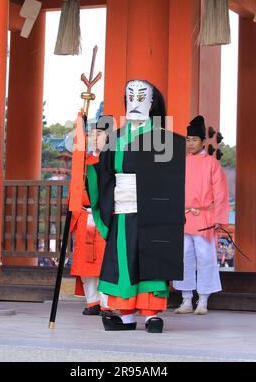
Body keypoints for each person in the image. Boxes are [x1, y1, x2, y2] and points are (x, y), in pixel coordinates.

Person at [86, 80, 185, 333]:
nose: (136, 100)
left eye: (142, 95)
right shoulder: (115, 138)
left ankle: (151, 314)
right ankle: (127, 315)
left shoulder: (164, 138)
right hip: (122, 205)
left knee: (151, 258)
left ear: (151, 103)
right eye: (130, 94)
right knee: (124, 260)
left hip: (153, 210)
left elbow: (171, 179)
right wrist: (87, 171)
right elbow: (105, 173)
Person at [173, 115, 229, 315]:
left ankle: (203, 300)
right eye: (188, 140)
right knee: (183, 258)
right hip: (184, 217)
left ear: (203, 142)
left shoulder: (212, 164)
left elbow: (221, 194)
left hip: (204, 217)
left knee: (205, 258)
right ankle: (186, 299)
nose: (190, 144)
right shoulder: (180, 163)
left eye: (194, 140)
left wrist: (219, 219)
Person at [70, 117, 111, 316]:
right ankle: (92, 300)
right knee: (86, 263)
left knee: (105, 262)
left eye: (100, 134)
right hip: (85, 216)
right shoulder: (83, 163)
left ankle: (107, 302)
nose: (95, 139)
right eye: (92, 134)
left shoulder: (113, 162)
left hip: (104, 217)